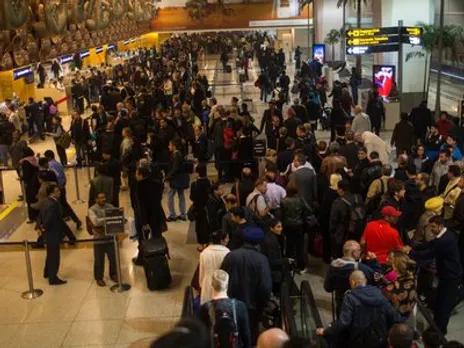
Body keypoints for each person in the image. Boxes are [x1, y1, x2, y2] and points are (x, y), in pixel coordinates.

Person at [316, 270, 401, 347]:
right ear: (366, 281)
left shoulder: (350, 298)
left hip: (358, 341)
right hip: (380, 339)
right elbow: (394, 316)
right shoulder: (380, 295)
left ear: (353, 282)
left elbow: (343, 322)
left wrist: (326, 331)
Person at [409, 215, 463, 334]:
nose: (431, 229)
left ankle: (439, 331)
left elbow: (428, 254)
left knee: (444, 305)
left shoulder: (445, 240)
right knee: (440, 301)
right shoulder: (445, 234)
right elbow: (430, 244)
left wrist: (410, 252)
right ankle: (436, 326)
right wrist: (415, 246)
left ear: (440, 226)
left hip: (450, 276)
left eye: (433, 226)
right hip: (445, 274)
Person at [221, 227, 272, 344]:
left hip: (231, 303)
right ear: (258, 243)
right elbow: (265, 287)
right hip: (252, 306)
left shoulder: (231, 255)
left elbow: (222, 277)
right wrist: (263, 303)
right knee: (250, 333)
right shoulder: (262, 260)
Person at [324, 240, 380, 317]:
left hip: (340, 306)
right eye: (359, 250)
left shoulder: (333, 265)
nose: (361, 252)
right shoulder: (360, 268)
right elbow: (377, 279)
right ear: (354, 253)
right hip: (358, 307)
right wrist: (374, 262)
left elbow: (328, 288)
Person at [198, 270, 251, 348]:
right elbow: (246, 336)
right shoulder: (240, 306)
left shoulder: (205, 308)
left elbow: (201, 338)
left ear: (212, 285)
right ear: (227, 285)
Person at [133, 165, 167, 265]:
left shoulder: (139, 187)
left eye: (136, 173)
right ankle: (159, 257)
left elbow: (141, 206)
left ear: (141, 175)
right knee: (157, 236)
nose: (135, 175)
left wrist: (144, 222)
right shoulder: (157, 184)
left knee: (143, 239)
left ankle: (142, 259)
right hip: (157, 214)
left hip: (146, 218)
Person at [36, 183, 67, 285]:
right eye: (57, 191)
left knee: (50, 253)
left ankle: (47, 272)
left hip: (48, 233)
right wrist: (44, 227)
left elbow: (40, 215)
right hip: (53, 233)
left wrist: (39, 227)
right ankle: (53, 278)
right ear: (52, 193)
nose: (60, 192)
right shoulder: (54, 204)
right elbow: (49, 219)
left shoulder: (45, 202)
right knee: (54, 256)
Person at [280, 180, 311, 273]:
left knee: (289, 245)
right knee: (300, 246)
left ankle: (290, 266)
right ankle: (301, 266)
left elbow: (281, 215)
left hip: (287, 225)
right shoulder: (300, 199)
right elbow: (308, 209)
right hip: (299, 225)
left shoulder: (283, 201)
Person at [88, 192, 117, 287]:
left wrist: (104, 219)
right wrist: (108, 217)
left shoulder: (110, 206)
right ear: (96, 200)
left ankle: (113, 274)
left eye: (104, 197)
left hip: (110, 237)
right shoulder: (92, 210)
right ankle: (99, 278)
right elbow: (95, 222)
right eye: (101, 198)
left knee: (113, 258)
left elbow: (117, 215)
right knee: (99, 260)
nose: (103, 199)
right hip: (99, 239)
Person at [329, 179, 364, 258]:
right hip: (358, 231)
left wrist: (332, 233)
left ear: (341, 189)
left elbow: (333, 220)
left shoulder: (338, 202)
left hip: (343, 233)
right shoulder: (358, 198)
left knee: (342, 255)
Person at [382, 252, 417, 319]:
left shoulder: (390, 290)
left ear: (395, 267)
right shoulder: (412, 279)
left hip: (394, 320)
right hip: (407, 315)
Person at [199, 230, 230, 305]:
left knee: (207, 307)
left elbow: (201, 271)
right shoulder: (227, 252)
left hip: (207, 282)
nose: (228, 239)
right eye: (227, 238)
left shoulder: (204, 253)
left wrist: (202, 284)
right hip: (222, 283)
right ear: (221, 240)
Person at [166, 139, 189, 221]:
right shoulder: (179, 154)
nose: (169, 147)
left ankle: (172, 215)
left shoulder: (176, 156)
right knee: (181, 195)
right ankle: (183, 214)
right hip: (181, 179)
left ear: (174, 146)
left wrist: (168, 176)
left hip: (176, 179)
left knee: (170, 196)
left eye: (170, 145)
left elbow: (175, 168)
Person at [190, 164, 212, 251]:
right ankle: (207, 243)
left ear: (198, 173)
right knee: (207, 225)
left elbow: (192, 197)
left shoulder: (194, 184)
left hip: (198, 209)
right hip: (207, 208)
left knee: (199, 227)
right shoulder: (209, 182)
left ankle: (201, 245)